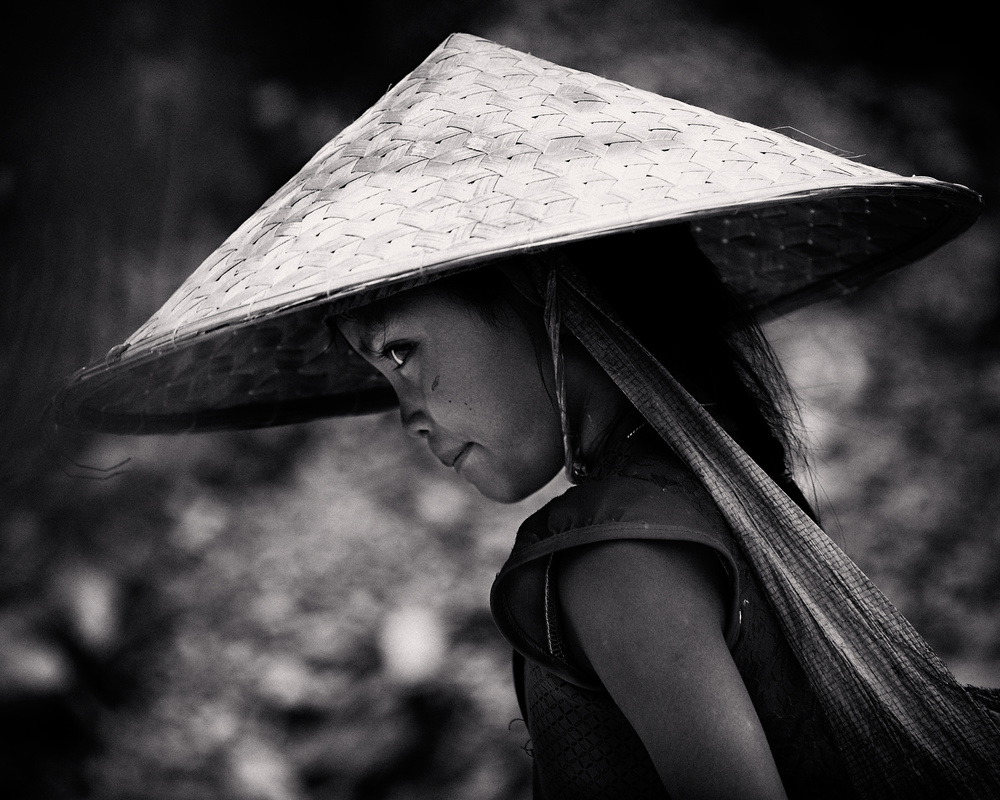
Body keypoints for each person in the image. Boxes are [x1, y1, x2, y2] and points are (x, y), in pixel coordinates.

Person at [56, 33, 1000, 799]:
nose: (407, 419)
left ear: (542, 300)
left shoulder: (614, 556)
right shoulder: (712, 503)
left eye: (402, 353)